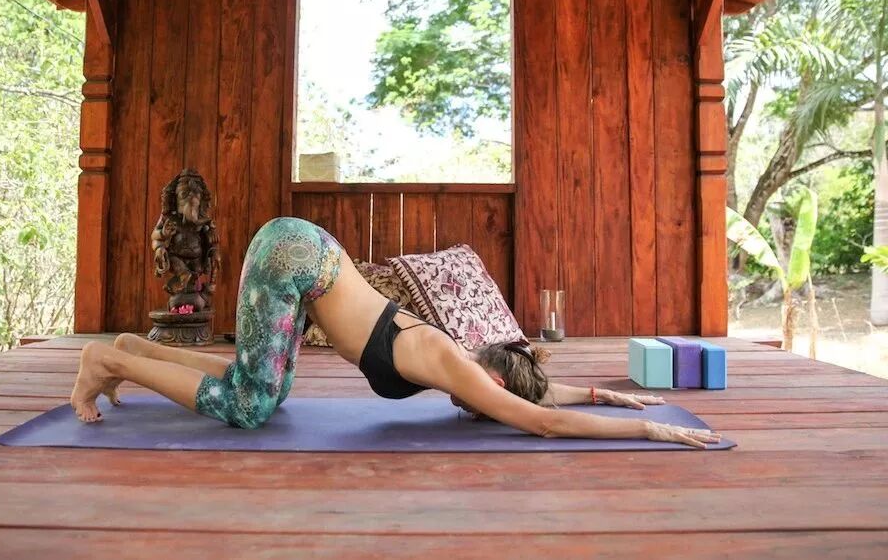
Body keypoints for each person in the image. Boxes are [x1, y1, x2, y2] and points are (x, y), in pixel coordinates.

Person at [70, 217, 720, 449]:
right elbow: (542, 421)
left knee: (267, 385)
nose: (476, 410)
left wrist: (606, 395)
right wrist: (648, 432)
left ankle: (138, 351)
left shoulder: (466, 357)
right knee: (250, 406)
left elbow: (538, 396)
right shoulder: (457, 367)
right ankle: (108, 363)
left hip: (306, 255)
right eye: (486, 407)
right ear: (493, 383)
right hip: (297, 259)